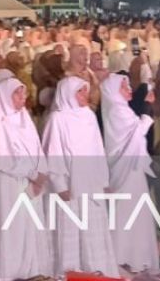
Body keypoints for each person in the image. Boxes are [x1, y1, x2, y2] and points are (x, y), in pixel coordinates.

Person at [40, 77, 119, 277]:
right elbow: (53, 153)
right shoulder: (57, 119)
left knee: (93, 229)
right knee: (70, 229)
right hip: (70, 186)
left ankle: (96, 271)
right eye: (80, 91)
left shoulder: (89, 116)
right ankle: (69, 273)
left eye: (86, 91)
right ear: (68, 93)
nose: (85, 95)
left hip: (92, 184)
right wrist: (60, 185)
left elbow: (98, 150)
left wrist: (104, 181)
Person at [0, 76, 51, 280]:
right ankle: (9, 273)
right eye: (17, 93)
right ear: (5, 96)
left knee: (30, 226)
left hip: (30, 183)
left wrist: (41, 174)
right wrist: (34, 175)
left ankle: (32, 271)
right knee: (12, 228)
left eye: (23, 92)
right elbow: (6, 160)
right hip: (9, 184)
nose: (22, 97)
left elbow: (38, 149)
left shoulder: (25, 120)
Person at [100, 74, 157, 272]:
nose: (129, 89)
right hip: (126, 169)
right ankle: (123, 255)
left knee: (133, 210)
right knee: (127, 211)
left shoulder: (121, 109)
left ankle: (134, 255)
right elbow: (136, 133)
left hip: (131, 168)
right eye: (124, 86)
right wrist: (147, 109)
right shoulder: (118, 110)